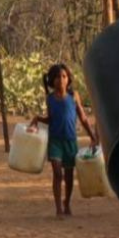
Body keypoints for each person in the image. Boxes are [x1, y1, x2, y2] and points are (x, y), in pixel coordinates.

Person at [29, 63, 97, 217]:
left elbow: (83, 118)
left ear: (68, 79)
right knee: (57, 174)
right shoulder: (50, 99)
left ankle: (67, 202)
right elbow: (51, 119)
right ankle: (58, 207)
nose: (61, 80)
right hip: (55, 141)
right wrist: (38, 119)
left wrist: (92, 137)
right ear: (52, 80)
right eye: (58, 77)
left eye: (64, 76)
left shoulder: (74, 97)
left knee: (68, 175)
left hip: (70, 141)